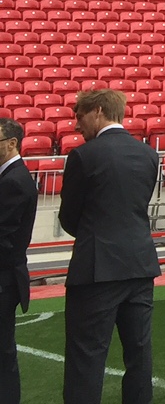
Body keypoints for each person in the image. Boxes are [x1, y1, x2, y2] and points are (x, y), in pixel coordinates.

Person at [60, 90, 161, 404]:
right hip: (140, 264)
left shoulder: (84, 155)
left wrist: (94, 235)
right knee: (139, 355)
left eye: (80, 116)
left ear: (98, 111)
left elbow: (69, 216)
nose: (78, 125)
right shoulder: (148, 154)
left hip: (97, 269)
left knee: (86, 358)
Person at [0, 119, 37, 404]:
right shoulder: (8, 177)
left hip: (4, 280)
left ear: (12, 143)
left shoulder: (15, 181)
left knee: (3, 353)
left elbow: (6, 237)